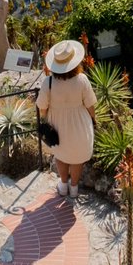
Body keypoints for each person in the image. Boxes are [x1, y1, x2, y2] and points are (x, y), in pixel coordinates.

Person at [37, 39, 96, 199]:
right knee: (77, 157)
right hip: (80, 124)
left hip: (57, 124)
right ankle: (74, 188)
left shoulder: (48, 82)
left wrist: (47, 118)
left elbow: (42, 107)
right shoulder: (82, 80)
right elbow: (90, 105)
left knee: (61, 154)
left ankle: (63, 185)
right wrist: (93, 119)